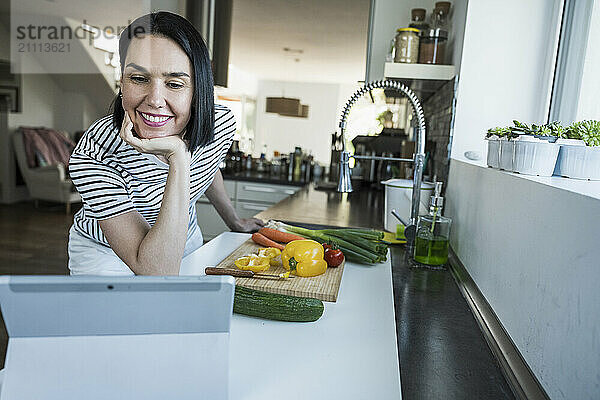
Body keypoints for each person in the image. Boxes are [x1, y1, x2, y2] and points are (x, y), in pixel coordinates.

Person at [67, 11, 263, 276]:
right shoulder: (95, 152)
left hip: (183, 237)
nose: (155, 100)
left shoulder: (221, 123)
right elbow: (154, 270)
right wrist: (179, 156)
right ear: (122, 81)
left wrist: (233, 219)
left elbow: (209, 165)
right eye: (139, 78)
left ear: (198, 89)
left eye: (174, 83)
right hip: (107, 254)